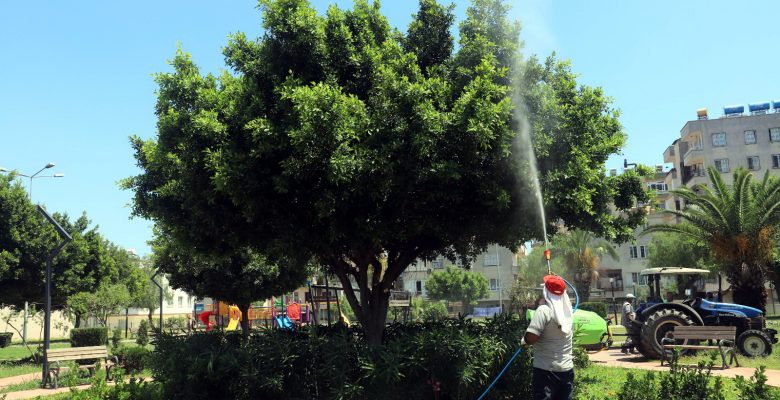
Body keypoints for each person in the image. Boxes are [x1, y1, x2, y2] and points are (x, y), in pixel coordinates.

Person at [522, 275, 574, 400]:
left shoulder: (544, 310)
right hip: (567, 371)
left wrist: (524, 341)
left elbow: (531, 338)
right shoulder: (568, 312)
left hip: (546, 372)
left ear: (546, 291)